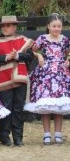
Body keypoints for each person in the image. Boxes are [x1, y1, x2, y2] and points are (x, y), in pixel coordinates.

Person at [0, 16, 34, 147]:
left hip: (20, 78)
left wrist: (18, 56)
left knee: (18, 108)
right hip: (4, 79)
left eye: (8, 25)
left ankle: (18, 137)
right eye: (3, 26)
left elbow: (30, 55)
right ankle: (4, 136)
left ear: (15, 27)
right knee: (6, 108)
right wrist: (6, 57)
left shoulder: (23, 40)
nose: (5, 28)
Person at [24, 13, 70, 145]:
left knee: (59, 106)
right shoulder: (42, 38)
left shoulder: (65, 40)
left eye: (59, 26)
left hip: (61, 75)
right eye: (54, 26)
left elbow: (68, 53)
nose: (56, 29)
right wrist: (39, 56)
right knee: (46, 105)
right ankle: (46, 134)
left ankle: (58, 134)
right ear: (49, 26)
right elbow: (31, 50)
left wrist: (68, 60)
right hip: (46, 75)